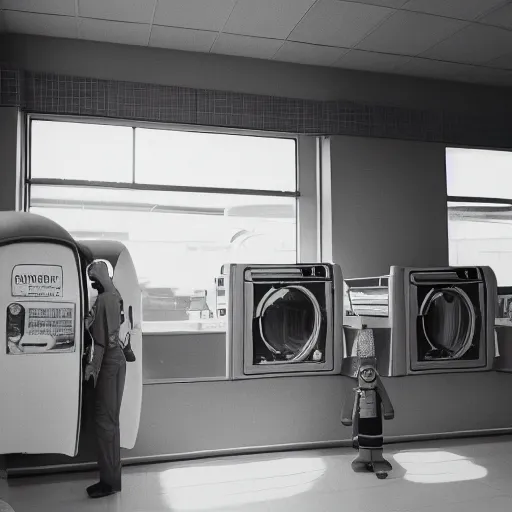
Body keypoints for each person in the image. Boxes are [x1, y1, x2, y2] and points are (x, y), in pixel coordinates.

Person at [84, 260, 126, 499]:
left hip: (108, 363)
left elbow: (103, 342)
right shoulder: (115, 294)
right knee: (111, 422)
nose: (93, 284)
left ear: (98, 278)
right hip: (116, 361)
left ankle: (108, 483)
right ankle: (112, 480)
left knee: (105, 422)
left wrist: (92, 367)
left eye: (93, 279)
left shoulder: (104, 299)